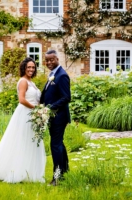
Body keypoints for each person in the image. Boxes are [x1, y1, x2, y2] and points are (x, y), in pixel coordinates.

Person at [40, 50, 71, 186]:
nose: (49, 63)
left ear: (57, 59)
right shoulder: (53, 75)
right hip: (53, 117)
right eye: (47, 60)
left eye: (51, 60)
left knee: (55, 145)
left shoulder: (62, 75)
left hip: (59, 117)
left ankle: (57, 178)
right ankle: (64, 171)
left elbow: (66, 97)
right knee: (59, 144)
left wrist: (49, 108)